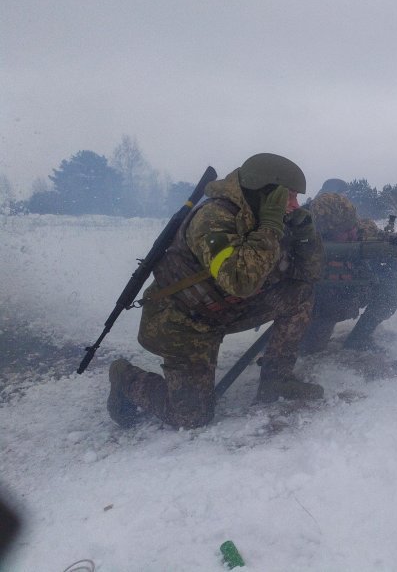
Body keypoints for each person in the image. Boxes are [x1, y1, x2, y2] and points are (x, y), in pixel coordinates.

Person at [107, 153, 324, 429]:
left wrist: (306, 236)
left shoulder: (268, 217)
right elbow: (240, 280)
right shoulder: (213, 218)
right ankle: (124, 377)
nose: (294, 206)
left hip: (227, 308)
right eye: (288, 197)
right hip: (183, 321)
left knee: (301, 294)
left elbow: (310, 275)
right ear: (263, 193)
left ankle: (276, 381)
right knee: (191, 417)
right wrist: (269, 227)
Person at [299, 179, 397, 354]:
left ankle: (358, 339)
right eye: (341, 197)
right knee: (309, 348)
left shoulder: (355, 225)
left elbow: (390, 248)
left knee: (393, 283)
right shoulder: (300, 227)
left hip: (344, 295)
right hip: (312, 302)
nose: (344, 202)